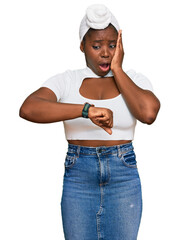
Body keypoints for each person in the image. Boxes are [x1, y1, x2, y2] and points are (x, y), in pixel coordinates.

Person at [19, 4, 160, 240]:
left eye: (112, 45)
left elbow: (148, 113)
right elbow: (29, 108)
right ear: (82, 46)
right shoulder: (67, 80)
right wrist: (85, 111)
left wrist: (118, 69)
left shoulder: (133, 79)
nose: (105, 52)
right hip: (79, 177)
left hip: (123, 176)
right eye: (96, 46)